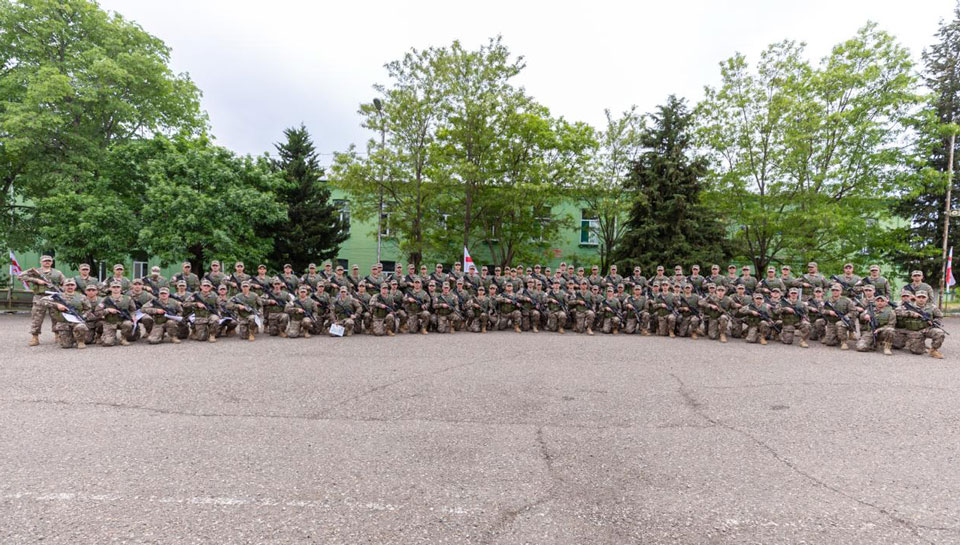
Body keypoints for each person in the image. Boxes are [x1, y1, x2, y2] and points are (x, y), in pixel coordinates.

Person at [21, 254, 65, 346]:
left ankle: (58, 336)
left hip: (53, 297)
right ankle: (35, 337)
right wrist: (36, 280)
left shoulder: (57, 273)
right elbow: (20, 276)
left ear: (52, 262)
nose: (47, 262)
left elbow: (64, 283)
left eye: (49, 260)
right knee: (37, 318)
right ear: (41, 262)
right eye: (45, 261)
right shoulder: (35, 271)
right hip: (39, 297)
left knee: (56, 317)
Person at [42, 278, 91, 349]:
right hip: (63, 322)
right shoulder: (58, 296)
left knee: (81, 327)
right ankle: (72, 337)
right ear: (64, 286)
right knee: (66, 346)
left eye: (72, 285)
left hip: (76, 321)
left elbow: (88, 309)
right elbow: (42, 301)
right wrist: (57, 305)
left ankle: (80, 341)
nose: (70, 287)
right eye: (67, 285)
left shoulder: (81, 297)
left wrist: (82, 316)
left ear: (75, 286)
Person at [897, 291, 945, 358]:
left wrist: (935, 321)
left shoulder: (932, 307)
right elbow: (897, 311)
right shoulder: (908, 305)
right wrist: (911, 314)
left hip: (926, 329)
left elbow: (940, 316)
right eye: (919, 297)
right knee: (917, 351)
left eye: (923, 297)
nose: (921, 299)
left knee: (940, 333)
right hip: (913, 331)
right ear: (915, 297)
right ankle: (912, 342)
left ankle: (933, 350)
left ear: (927, 298)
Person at [96, 281, 136, 347]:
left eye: (118, 287)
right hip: (110, 322)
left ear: (121, 288)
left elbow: (133, 310)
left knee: (128, 324)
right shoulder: (105, 299)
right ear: (110, 288)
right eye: (114, 287)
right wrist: (107, 310)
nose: (116, 288)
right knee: (107, 343)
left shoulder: (128, 299)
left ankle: (123, 338)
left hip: (122, 321)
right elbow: (97, 312)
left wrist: (133, 316)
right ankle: (108, 336)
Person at [822, 284, 857, 350]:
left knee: (840, 324)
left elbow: (854, 311)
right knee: (830, 342)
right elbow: (820, 309)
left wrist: (846, 316)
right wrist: (828, 312)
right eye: (833, 290)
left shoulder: (847, 300)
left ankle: (843, 342)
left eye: (837, 290)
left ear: (841, 291)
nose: (835, 292)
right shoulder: (826, 300)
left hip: (842, 321)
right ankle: (837, 337)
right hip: (831, 322)